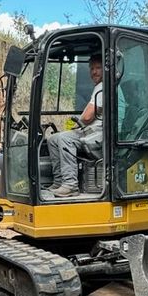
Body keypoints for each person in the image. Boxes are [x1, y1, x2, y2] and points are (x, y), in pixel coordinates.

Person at [47, 55, 103, 197]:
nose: (94, 72)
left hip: (99, 133)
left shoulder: (103, 87)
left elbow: (87, 117)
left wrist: (78, 124)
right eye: (92, 68)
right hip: (92, 130)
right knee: (53, 139)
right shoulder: (98, 87)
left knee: (65, 139)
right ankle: (59, 181)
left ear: (105, 69)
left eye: (98, 68)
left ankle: (70, 184)